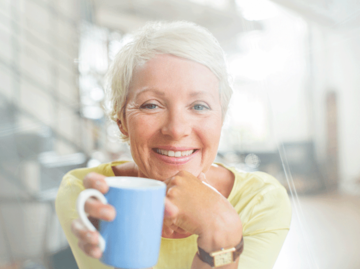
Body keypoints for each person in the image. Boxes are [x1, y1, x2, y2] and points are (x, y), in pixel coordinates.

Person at [56, 21, 291, 269]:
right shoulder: (87, 194)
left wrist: (221, 233)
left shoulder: (260, 201)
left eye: (199, 106)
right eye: (151, 105)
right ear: (121, 120)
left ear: (221, 118)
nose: (177, 130)